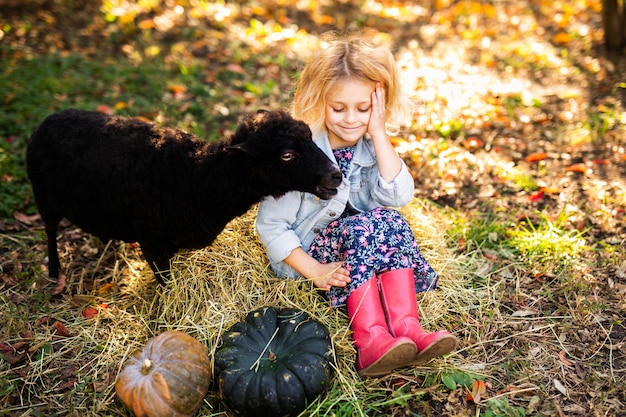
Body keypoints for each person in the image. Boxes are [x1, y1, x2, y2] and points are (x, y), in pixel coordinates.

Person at [256, 34, 457, 378]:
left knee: (390, 220)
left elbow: (399, 195)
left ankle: (408, 328)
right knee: (365, 226)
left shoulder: (369, 147)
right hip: (315, 263)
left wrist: (379, 133)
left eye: (363, 109)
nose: (350, 119)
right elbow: (271, 226)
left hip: (361, 251)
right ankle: (370, 340)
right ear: (318, 101)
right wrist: (314, 269)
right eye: (338, 108)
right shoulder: (297, 157)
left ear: (378, 105)